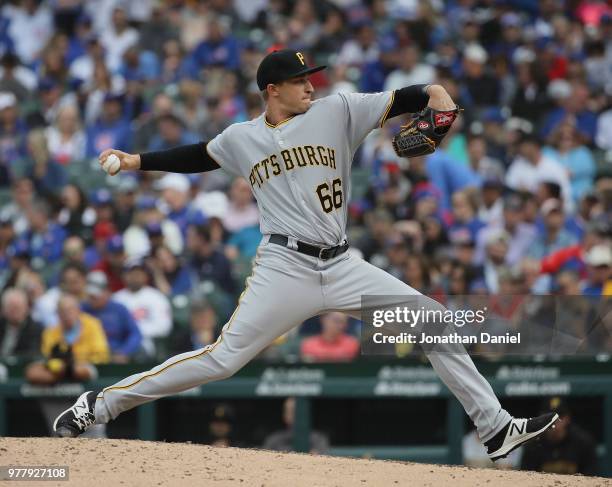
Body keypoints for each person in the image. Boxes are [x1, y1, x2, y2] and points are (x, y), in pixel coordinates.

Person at [54, 49, 558, 462]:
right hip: (284, 267)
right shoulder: (241, 138)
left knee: (429, 317)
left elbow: (405, 98)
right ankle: (100, 405)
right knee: (222, 360)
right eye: (299, 80)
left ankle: (494, 429)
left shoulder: (337, 111)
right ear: (272, 90)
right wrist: (134, 160)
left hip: (341, 264)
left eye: (310, 77)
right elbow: (195, 156)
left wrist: (436, 93)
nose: (310, 86)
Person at [521, 397, 598, 475]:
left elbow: (590, 476)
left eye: (559, 417)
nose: (554, 422)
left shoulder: (583, 442)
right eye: (549, 417)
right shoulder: (532, 444)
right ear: (541, 419)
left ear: (568, 418)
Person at [81, 271, 143, 363]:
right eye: (90, 296)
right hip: (91, 356)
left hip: (117, 353)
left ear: (107, 292)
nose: (92, 299)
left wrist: (124, 351)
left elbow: (135, 334)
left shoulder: (119, 309)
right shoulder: (82, 309)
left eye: (95, 296)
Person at [263, 397, 329, 454]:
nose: (294, 415)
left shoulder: (318, 439)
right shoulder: (274, 440)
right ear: (284, 415)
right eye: (291, 411)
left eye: (297, 411)